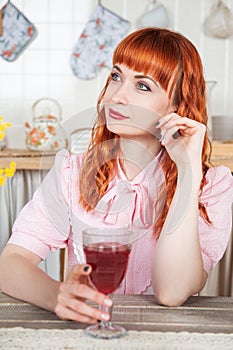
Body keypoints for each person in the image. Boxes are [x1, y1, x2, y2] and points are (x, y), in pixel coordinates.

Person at [0, 27, 233, 325]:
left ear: (177, 106)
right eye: (116, 76)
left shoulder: (212, 186)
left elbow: (171, 293)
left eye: (143, 86)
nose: (118, 96)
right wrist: (56, 296)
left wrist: (187, 170)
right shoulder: (72, 171)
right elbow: (11, 263)